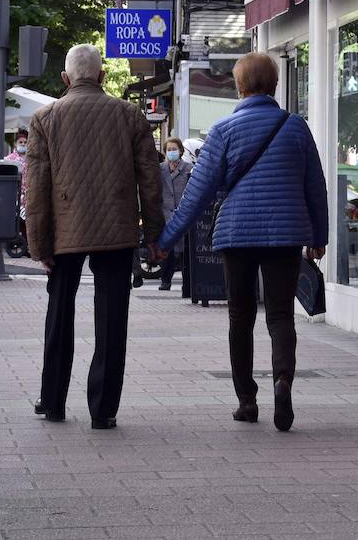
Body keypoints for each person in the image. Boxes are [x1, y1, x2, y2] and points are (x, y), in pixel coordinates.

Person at [152, 52, 328, 431]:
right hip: (286, 235)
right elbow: (315, 185)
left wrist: (165, 239)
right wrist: (319, 236)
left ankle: (247, 400)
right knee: (281, 314)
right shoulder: (296, 128)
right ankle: (282, 379)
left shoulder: (223, 131)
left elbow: (196, 195)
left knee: (240, 317)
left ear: (239, 86)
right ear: (275, 86)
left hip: (237, 234)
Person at [26, 44, 164, 429]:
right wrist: (153, 232)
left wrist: (39, 243)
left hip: (63, 232)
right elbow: (149, 180)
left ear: (65, 79)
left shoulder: (45, 118)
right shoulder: (129, 115)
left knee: (59, 316)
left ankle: (53, 401)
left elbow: (35, 189)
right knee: (111, 319)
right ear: (103, 77)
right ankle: (103, 410)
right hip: (117, 230)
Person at [157, 138, 193, 291]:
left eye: (174, 149)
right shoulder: (160, 169)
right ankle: (166, 281)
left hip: (183, 215)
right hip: (165, 215)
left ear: (180, 151)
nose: (172, 152)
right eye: (169, 150)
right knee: (167, 250)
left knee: (185, 252)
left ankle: (188, 285)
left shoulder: (189, 168)